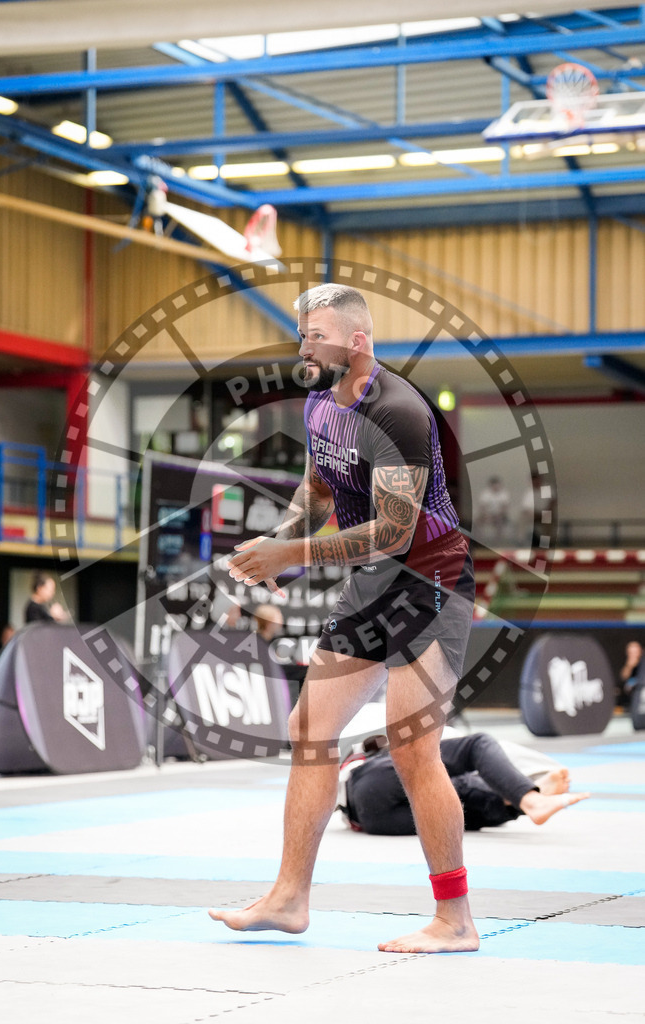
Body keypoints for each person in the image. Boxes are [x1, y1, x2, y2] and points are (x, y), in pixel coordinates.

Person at [209, 283, 478, 954]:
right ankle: (289, 897)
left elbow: (392, 533)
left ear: (355, 342)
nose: (304, 346)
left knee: (411, 743)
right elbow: (320, 487)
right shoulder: (316, 404)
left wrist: (290, 552)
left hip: (430, 581)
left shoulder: (399, 412)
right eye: (301, 334)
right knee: (309, 726)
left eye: (315, 335)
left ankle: (455, 920)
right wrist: (279, 544)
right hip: (369, 587)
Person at [339, 731, 590, 834]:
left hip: (371, 820)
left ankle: (517, 800)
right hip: (367, 784)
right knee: (476, 745)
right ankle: (529, 798)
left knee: (456, 808)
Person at [476, 476, 510, 545]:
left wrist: (498, 515)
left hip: (499, 516)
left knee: (499, 521)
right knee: (477, 522)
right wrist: (487, 515)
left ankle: (498, 541)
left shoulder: (504, 494)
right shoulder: (485, 493)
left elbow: (505, 508)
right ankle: (479, 541)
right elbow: (482, 507)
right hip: (487, 515)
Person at [619, 640, 643, 706]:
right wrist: (629, 666)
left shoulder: (642, 666)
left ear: (640, 652)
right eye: (630, 652)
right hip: (628, 701)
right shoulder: (626, 665)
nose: (633, 655)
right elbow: (623, 678)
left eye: (635, 652)